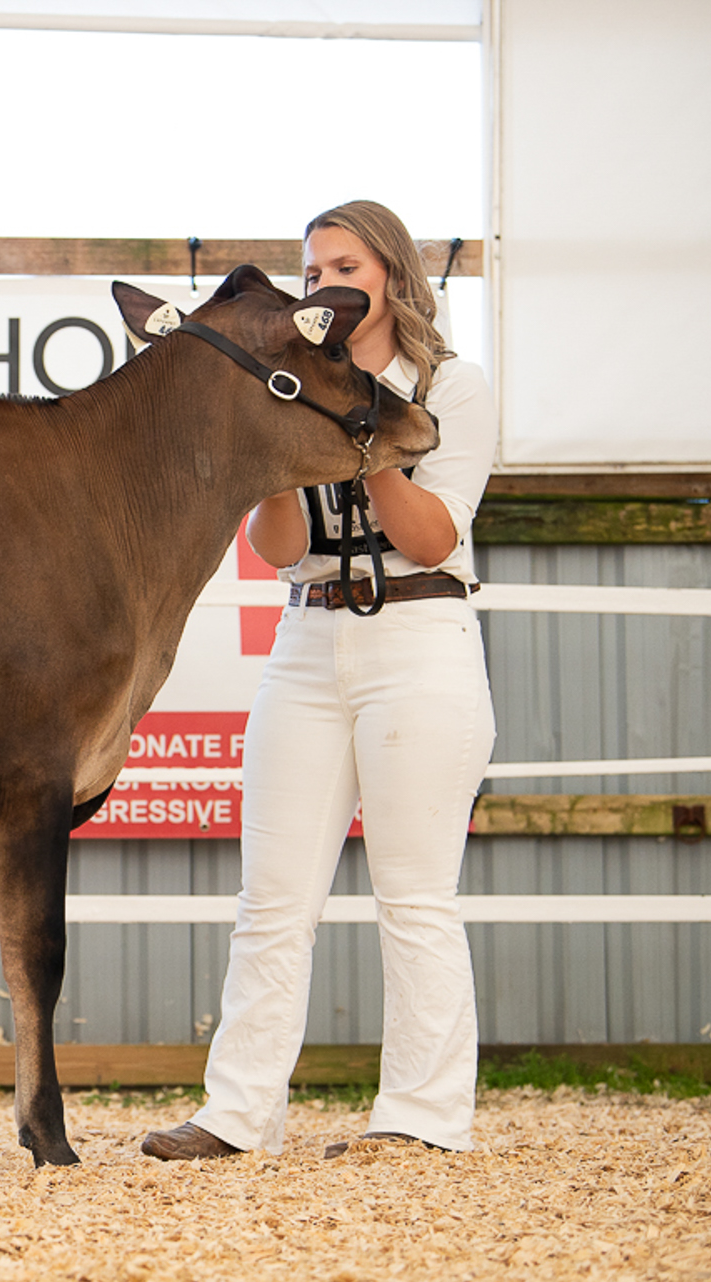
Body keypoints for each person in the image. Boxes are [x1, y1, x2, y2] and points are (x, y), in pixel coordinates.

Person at [142, 200, 499, 1161]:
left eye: (345, 267)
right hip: (306, 636)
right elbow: (279, 547)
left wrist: (362, 433)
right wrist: (277, 453)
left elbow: (434, 535)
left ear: (391, 275)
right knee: (271, 897)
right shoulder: (288, 383)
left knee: (414, 894)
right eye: (311, 272)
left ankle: (420, 1119)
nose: (325, 285)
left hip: (420, 633)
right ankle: (237, 1115)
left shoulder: (451, 386)